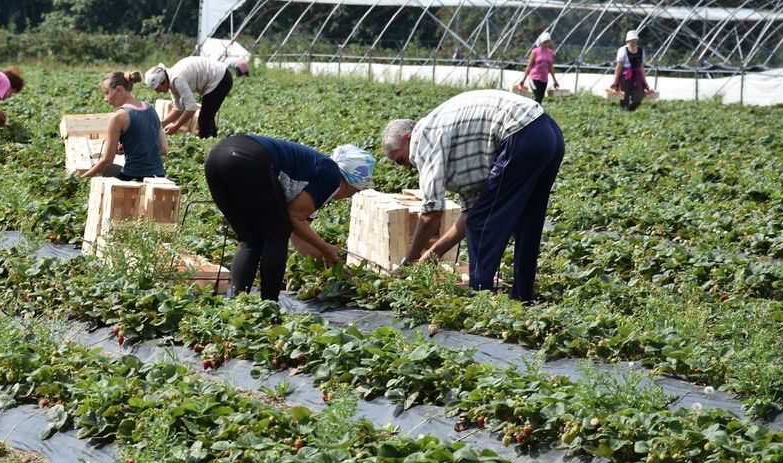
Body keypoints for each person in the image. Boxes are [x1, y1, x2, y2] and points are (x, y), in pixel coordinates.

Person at [381, 90, 564, 304]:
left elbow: (432, 213)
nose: (407, 168)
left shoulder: (423, 138)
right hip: (547, 133)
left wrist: (410, 262)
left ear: (406, 138)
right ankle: (523, 298)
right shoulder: (451, 143)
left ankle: (480, 299)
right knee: (527, 221)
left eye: (401, 159)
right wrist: (431, 256)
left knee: (481, 224)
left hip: (520, 132)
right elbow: (470, 213)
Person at [205, 138, 374, 301]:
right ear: (347, 182)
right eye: (355, 190)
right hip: (249, 160)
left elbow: (299, 235)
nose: (351, 196)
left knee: (251, 239)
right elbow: (293, 218)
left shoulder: (317, 174)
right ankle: (269, 304)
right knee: (277, 233)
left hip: (216, 157)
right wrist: (326, 248)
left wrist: (331, 262)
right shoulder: (331, 176)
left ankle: (238, 302)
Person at [79, 71, 167, 180]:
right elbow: (164, 149)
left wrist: (81, 180)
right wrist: (131, 147)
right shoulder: (151, 109)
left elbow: (106, 161)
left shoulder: (118, 117)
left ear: (119, 90)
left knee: (108, 169)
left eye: (107, 93)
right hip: (159, 176)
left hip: (134, 177)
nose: (105, 99)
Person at [144, 56, 232, 138]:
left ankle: (208, 144)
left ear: (163, 81)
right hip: (218, 77)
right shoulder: (171, 81)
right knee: (207, 117)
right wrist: (162, 124)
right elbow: (178, 108)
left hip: (220, 78)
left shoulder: (177, 79)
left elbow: (191, 108)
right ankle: (212, 139)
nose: (157, 92)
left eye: (157, 88)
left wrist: (175, 126)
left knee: (204, 118)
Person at [515, 31, 560, 103]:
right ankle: (528, 106)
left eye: (548, 42)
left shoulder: (551, 53)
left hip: (544, 79)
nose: (546, 44)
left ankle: (536, 112)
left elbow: (551, 67)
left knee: (540, 99)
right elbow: (529, 65)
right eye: (544, 42)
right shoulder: (535, 52)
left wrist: (555, 81)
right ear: (541, 42)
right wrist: (523, 80)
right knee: (538, 96)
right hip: (534, 78)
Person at [611, 30, 650, 111]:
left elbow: (641, 67)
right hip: (625, 76)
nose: (634, 42)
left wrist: (644, 81)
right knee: (625, 96)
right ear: (628, 40)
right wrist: (615, 81)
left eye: (635, 40)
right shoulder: (623, 50)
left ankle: (630, 111)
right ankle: (624, 113)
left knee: (638, 97)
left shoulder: (640, 51)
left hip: (637, 76)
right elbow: (619, 66)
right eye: (632, 41)